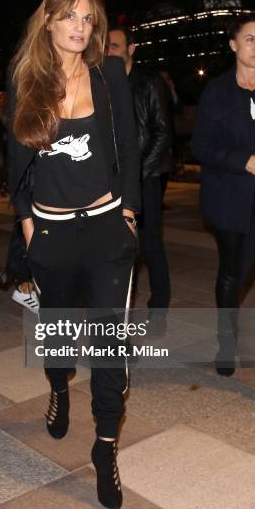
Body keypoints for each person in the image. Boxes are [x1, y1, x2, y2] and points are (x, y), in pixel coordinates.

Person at [8, 0, 140, 509]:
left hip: (107, 226)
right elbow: (15, 161)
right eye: (70, 17)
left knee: (112, 348)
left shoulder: (109, 75)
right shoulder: (27, 80)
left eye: (88, 18)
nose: (80, 28)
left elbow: (130, 146)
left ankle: (105, 445)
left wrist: (129, 211)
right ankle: (59, 386)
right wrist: (25, 222)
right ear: (49, 20)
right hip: (52, 231)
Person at [191, 14, 255, 387]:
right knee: (232, 273)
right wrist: (246, 161)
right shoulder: (217, 92)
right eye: (251, 39)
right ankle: (227, 342)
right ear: (233, 45)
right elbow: (201, 146)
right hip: (232, 198)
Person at [107, 26, 171, 329]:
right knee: (118, 248)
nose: (109, 52)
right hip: (113, 179)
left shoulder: (149, 82)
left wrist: (139, 173)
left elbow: (162, 132)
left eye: (116, 46)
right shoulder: (103, 81)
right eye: (106, 46)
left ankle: (159, 307)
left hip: (145, 177)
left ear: (131, 49)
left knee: (150, 244)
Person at [158, 69, 183, 210]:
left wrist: (172, 89)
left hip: (169, 138)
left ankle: (160, 200)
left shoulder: (168, 95)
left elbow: (178, 109)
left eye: (167, 79)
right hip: (157, 139)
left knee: (166, 171)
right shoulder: (154, 93)